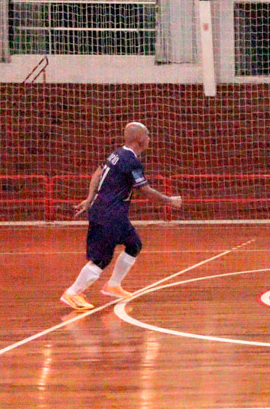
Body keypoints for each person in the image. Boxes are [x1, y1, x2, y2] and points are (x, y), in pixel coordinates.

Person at [60, 122, 182, 310]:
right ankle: (73, 293)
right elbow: (146, 191)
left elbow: (98, 173)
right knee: (101, 259)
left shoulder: (116, 154)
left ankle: (113, 286)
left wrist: (90, 198)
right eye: (148, 135)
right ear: (140, 139)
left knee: (134, 245)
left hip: (115, 214)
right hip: (108, 215)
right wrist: (169, 200)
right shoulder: (131, 161)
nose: (150, 139)